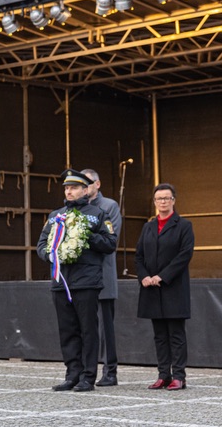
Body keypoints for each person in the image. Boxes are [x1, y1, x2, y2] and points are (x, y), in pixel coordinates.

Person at [36, 169, 117, 393]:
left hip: (87, 281)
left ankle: (87, 376)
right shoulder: (56, 215)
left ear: (85, 190)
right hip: (61, 280)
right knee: (67, 330)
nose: (69, 191)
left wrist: (86, 234)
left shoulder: (98, 214)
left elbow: (110, 243)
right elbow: (41, 244)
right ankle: (72, 374)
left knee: (88, 330)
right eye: (66, 188)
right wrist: (50, 255)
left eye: (73, 188)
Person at [136, 183, 195, 390]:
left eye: (166, 198)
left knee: (176, 335)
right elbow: (139, 255)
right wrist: (144, 276)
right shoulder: (148, 227)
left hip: (174, 288)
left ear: (173, 200)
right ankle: (164, 375)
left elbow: (184, 255)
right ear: (154, 202)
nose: (163, 202)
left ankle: (179, 376)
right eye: (159, 198)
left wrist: (162, 276)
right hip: (152, 289)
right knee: (160, 335)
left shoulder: (184, 225)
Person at [82, 168, 122, 386]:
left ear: (98, 184)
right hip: (81, 277)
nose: (84, 187)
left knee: (105, 329)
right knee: (84, 327)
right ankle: (84, 371)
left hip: (103, 276)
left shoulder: (109, 206)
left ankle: (110, 372)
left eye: (88, 183)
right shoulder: (75, 209)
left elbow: (110, 240)